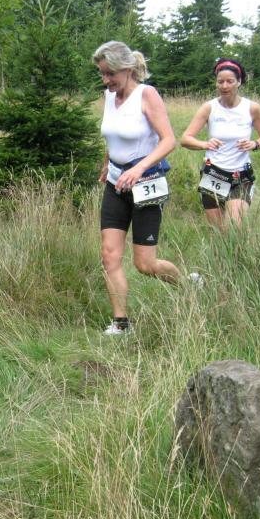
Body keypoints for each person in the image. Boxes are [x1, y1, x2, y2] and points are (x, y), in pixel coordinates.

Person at [93, 41, 180, 336]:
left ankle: (186, 285)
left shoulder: (147, 94)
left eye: (110, 74)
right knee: (109, 256)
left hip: (147, 183)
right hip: (116, 184)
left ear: (127, 69)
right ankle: (121, 323)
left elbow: (169, 140)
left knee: (145, 263)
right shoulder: (109, 96)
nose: (105, 81)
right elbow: (113, 135)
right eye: (102, 74)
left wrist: (138, 168)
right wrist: (108, 163)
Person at [180, 58, 260, 229]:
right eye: (220, 81)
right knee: (217, 231)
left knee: (233, 228)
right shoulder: (209, 107)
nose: (224, 86)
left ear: (239, 82)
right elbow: (185, 139)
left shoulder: (252, 108)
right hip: (213, 173)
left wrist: (254, 144)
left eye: (230, 81)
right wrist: (205, 144)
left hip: (241, 175)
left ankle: (240, 248)